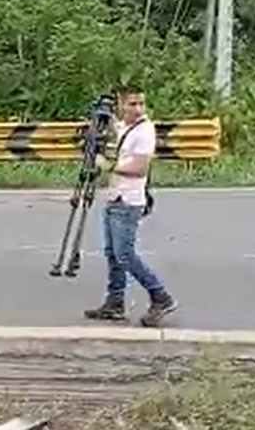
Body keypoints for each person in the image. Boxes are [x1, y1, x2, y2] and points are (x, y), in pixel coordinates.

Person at [85, 84, 178, 327]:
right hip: (115, 196)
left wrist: (107, 166)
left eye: (141, 103)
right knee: (112, 254)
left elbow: (139, 168)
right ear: (122, 105)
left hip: (129, 200)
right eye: (132, 104)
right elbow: (116, 128)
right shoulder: (125, 126)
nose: (137, 108)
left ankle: (160, 296)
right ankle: (115, 302)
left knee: (124, 255)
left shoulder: (145, 130)